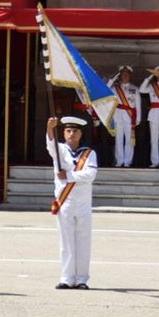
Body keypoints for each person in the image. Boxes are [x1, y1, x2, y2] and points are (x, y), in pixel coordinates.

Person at [46, 115, 97, 290]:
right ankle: (67, 277)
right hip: (64, 201)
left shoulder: (89, 153)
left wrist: (68, 176)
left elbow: (90, 175)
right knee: (66, 241)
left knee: (83, 241)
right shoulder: (59, 150)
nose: (71, 134)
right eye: (68, 130)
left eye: (75, 131)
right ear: (64, 133)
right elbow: (50, 144)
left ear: (80, 134)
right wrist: (50, 128)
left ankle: (82, 278)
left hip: (83, 202)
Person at [108, 66, 141, 168]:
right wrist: (112, 80)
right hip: (118, 114)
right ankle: (119, 160)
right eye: (123, 74)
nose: (125, 76)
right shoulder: (115, 88)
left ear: (130, 76)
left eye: (127, 74)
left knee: (129, 139)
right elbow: (105, 90)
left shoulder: (134, 89)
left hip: (129, 116)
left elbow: (138, 104)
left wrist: (138, 117)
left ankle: (127, 161)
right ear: (120, 76)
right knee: (119, 139)